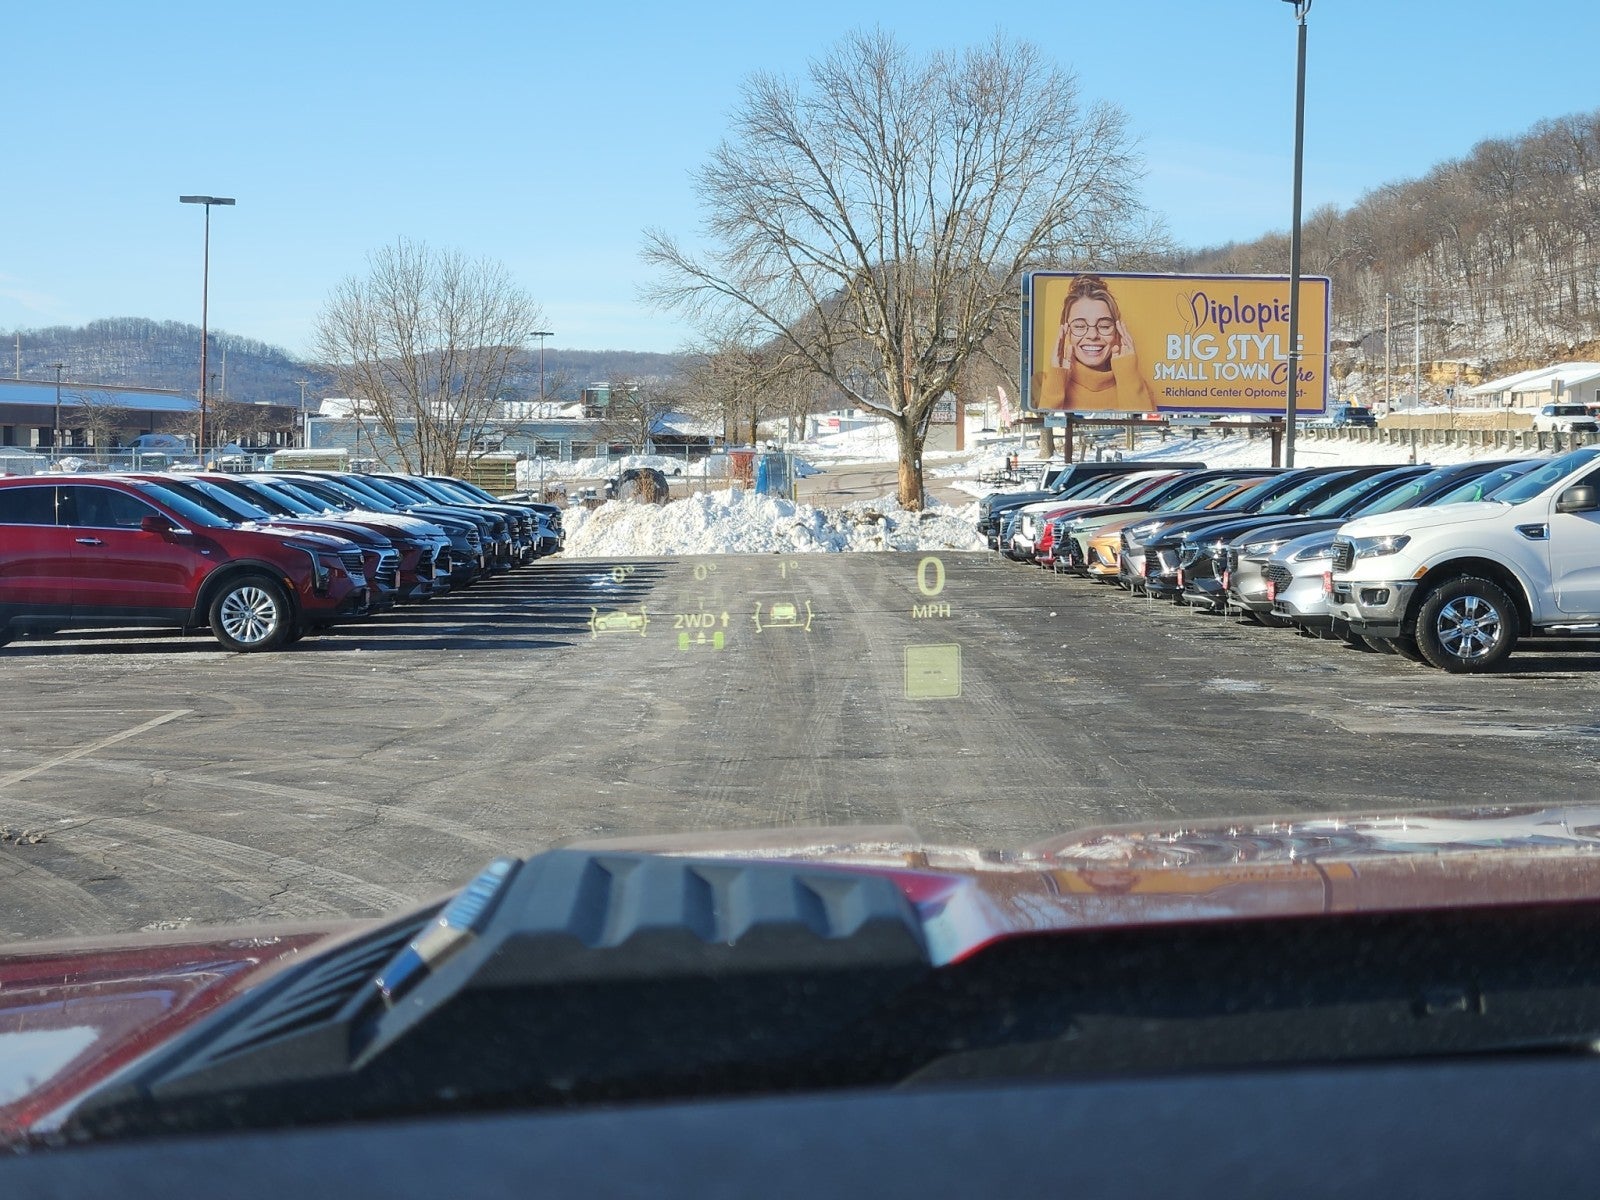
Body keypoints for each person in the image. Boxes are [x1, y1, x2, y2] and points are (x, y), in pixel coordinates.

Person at [1031, 275, 1156, 412]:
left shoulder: (1137, 385)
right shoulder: (1040, 384)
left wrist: (1128, 375)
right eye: (1079, 326)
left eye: (1104, 326)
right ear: (1066, 332)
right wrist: (1056, 379)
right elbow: (1045, 431)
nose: (1092, 335)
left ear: (1117, 331)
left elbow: (1143, 431)